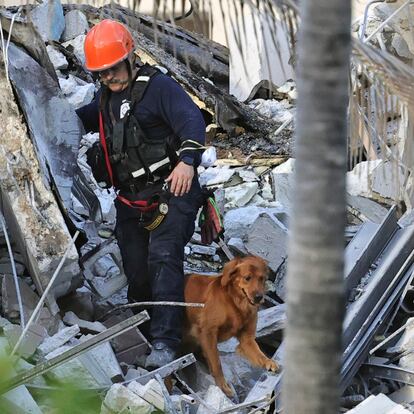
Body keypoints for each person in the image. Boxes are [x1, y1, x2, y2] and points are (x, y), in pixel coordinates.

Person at [76, 19, 205, 368]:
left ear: (130, 57)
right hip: (131, 199)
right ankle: (144, 333)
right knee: (137, 268)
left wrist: (188, 161)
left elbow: (192, 120)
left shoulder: (160, 88)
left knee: (163, 258)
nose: (108, 78)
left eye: (112, 69)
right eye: (101, 73)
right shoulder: (105, 99)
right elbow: (82, 119)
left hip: (171, 189)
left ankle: (165, 342)